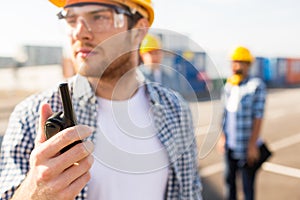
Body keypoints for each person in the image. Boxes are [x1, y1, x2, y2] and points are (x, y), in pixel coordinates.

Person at [0, 0, 203, 199]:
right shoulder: (32, 116)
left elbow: (189, 192)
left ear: (139, 30)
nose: (79, 32)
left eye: (98, 17)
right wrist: (34, 194)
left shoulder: (175, 110)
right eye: (71, 19)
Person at [218, 46, 267, 200]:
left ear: (248, 65)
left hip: (246, 147)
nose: (235, 66)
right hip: (230, 147)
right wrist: (222, 137)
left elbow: (258, 117)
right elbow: (224, 114)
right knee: (229, 184)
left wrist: (252, 145)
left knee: (247, 187)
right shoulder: (229, 86)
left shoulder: (256, 86)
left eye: (239, 62)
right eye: (233, 62)